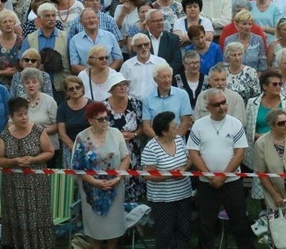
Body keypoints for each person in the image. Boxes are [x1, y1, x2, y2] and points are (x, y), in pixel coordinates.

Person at [187, 88, 254, 249]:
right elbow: (193, 153)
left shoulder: (235, 123)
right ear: (208, 107)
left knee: (240, 224)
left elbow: (240, 153)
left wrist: (223, 176)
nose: (222, 107)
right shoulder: (199, 125)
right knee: (206, 225)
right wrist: (211, 176)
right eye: (217, 104)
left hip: (232, 182)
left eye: (224, 102)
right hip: (207, 184)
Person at [0, 97, 55, 249]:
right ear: (12, 116)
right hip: (13, 186)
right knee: (15, 216)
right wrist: (14, 162)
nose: (24, 117)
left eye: (26, 113)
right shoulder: (5, 136)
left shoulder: (38, 131)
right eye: (19, 114)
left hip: (36, 184)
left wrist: (33, 159)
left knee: (38, 215)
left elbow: (50, 152)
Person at [72, 101, 130, 248]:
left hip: (115, 186)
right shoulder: (82, 137)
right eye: (100, 119)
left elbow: (125, 158)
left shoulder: (116, 133)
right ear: (91, 120)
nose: (105, 122)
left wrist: (118, 178)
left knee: (114, 226)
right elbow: (77, 167)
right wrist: (95, 182)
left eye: (106, 118)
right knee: (94, 227)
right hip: (91, 189)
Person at [141, 111, 192, 249]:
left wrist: (185, 167)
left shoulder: (179, 141)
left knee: (184, 229)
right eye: (173, 126)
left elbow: (189, 159)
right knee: (165, 232)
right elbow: (147, 175)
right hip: (163, 199)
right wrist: (170, 175)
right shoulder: (151, 148)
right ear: (164, 132)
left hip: (183, 195)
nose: (177, 127)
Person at [56, 75, 89, 168]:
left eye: (77, 87)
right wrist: (73, 147)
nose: (75, 90)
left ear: (82, 88)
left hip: (90, 146)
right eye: (71, 89)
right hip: (70, 147)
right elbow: (62, 133)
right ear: (67, 92)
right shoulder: (62, 108)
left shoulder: (92, 105)